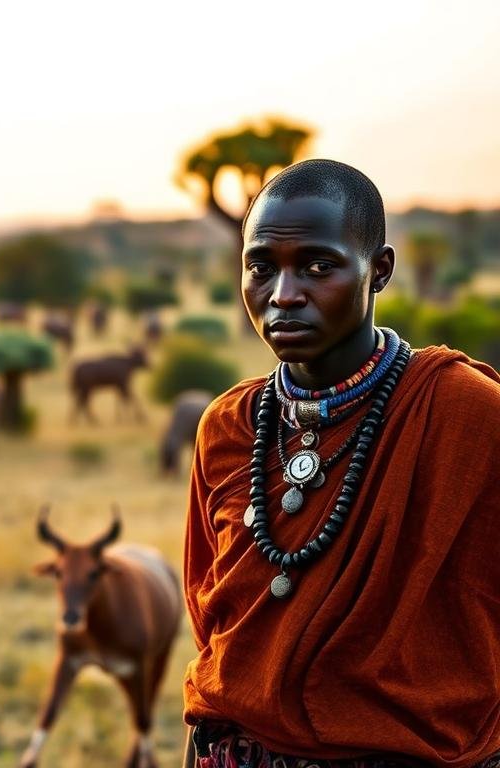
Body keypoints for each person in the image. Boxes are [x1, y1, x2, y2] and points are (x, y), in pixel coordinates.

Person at [183, 159, 500, 767]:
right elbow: (213, 625)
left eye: (318, 266)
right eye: (260, 267)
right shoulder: (226, 428)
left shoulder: (468, 415)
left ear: (378, 271)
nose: (283, 295)